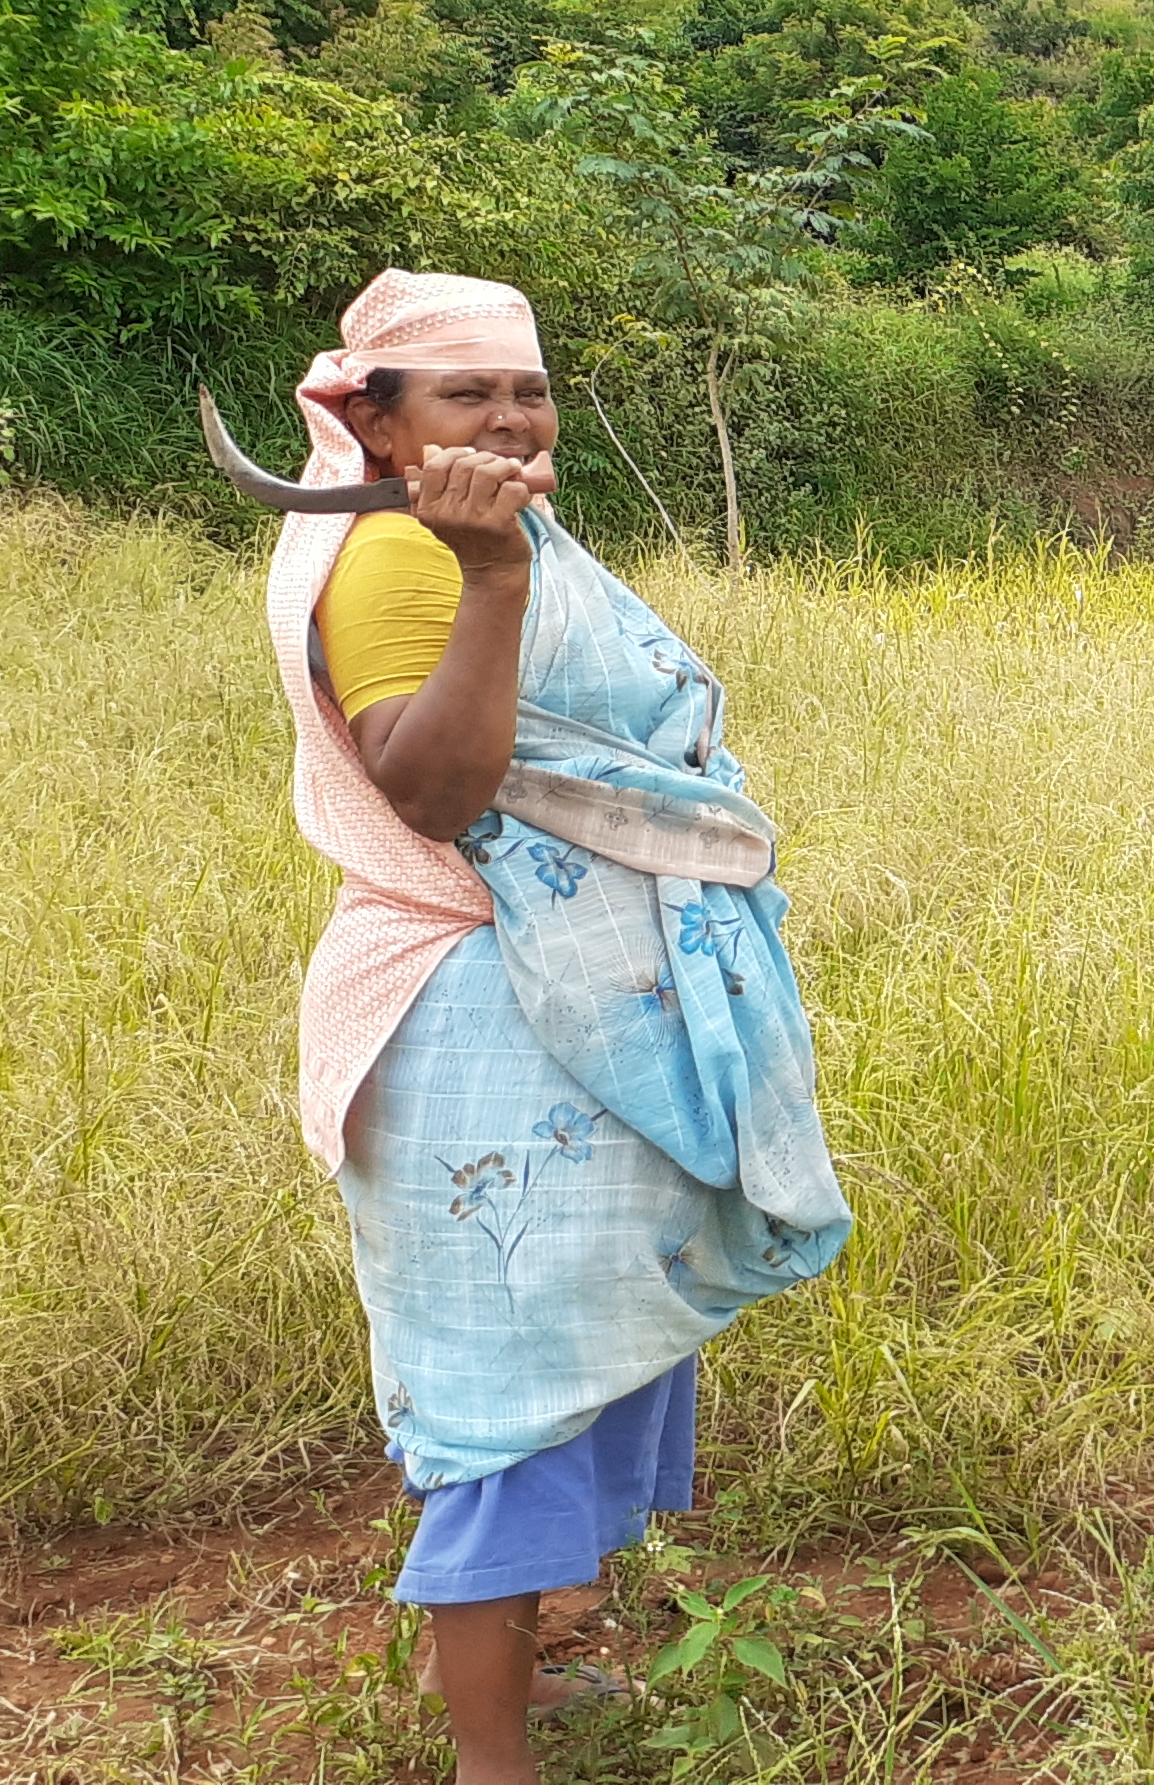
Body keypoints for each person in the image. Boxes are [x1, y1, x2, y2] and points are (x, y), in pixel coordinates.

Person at [266, 270, 851, 1785]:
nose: (513, 419)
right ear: (379, 423)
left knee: (575, 1348)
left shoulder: (473, 535)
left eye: (527, 391)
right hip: (486, 1012)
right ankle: (491, 1761)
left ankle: (536, 1657)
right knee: (507, 1393)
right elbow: (437, 796)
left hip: (557, 1010)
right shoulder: (409, 561)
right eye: (468, 396)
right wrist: (495, 583)